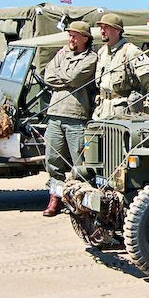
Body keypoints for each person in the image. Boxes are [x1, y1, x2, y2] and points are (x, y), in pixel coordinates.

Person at [42, 21, 98, 217]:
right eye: (70, 35)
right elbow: (48, 75)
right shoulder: (62, 52)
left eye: (75, 36)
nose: (71, 39)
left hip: (76, 114)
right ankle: (55, 197)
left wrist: (62, 77)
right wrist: (64, 78)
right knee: (53, 159)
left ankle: (80, 200)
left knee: (79, 162)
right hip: (55, 112)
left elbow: (76, 78)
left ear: (85, 38)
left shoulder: (91, 58)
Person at [93, 12, 149, 120]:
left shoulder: (131, 52)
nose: (102, 31)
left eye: (106, 27)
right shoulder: (102, 53)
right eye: (101, 28)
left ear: (117, 30)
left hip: (123, 113)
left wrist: (147, 106)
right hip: (101, 111)